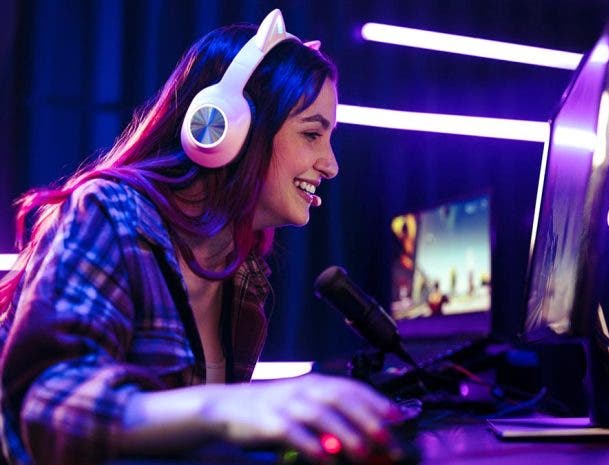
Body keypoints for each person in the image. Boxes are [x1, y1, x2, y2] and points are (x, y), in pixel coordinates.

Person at [0, 9, 398, 465]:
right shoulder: (111, 212)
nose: (331, 165)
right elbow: (51, 405)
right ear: (228, 125)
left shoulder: (244, 275)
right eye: (312, 134)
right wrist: (230, 407)